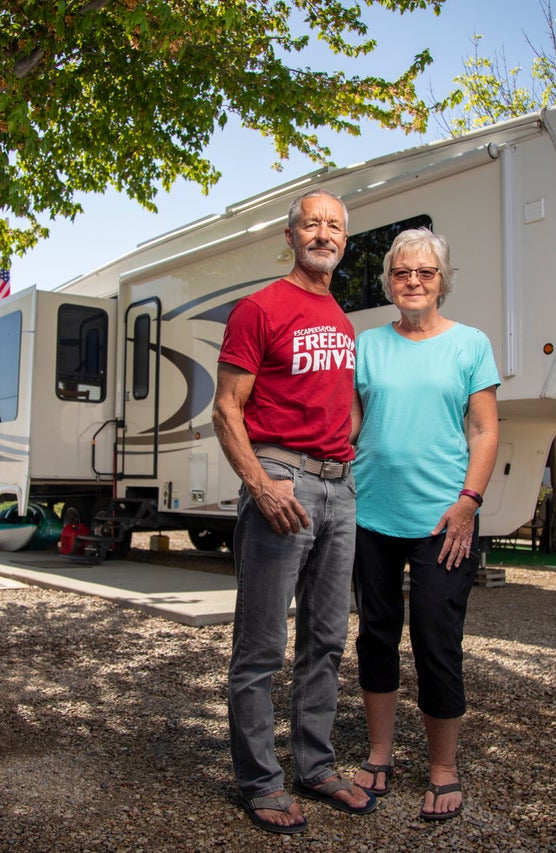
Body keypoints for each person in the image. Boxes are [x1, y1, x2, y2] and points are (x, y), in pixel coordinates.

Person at [212, 188, 375, 834]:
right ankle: (259, 781)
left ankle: (314, 763)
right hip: (283, 481)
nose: (324, 234)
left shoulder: (340, 316)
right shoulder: (258, 308)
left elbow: (342, 401)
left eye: (335, 226)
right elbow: (226, 407)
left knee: (328, 639)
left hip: (340, 488)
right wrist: (261, 482)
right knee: (260, 647)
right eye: (313, 223)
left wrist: (346, 456)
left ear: (343, 239)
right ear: (291, 234)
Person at [348, 227, 499, 822]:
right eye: (402, 272)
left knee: (437, 640)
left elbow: (484, 431)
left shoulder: (470, 344)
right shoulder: (367, 345)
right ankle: (380, 753)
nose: (413, 281)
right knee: (376, 635)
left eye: (425, 273)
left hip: (444, 519)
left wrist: (470, 500)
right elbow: (353, 425)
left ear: (442, 282)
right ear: (389, 282)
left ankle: (442, 768)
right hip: (371, 514)